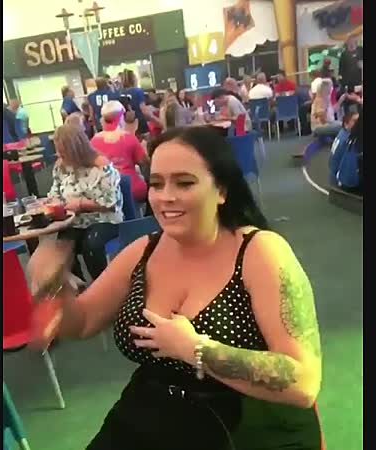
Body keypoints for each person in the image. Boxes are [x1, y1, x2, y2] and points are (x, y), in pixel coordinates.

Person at [28, 126, 323, 450]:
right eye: (156, 183)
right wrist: (53, 288)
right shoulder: (145, 250)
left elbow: (304, 382)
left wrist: (196, 350)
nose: (165, 196)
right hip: (156, 412)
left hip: (245, 425)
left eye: (184, 183)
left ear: (221, 190)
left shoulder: (260, 252)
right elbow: (83, 321)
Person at [47, 124, 124, 281]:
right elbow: (55, 192)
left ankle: (103, 285)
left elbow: (111, 203)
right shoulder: (61, 167)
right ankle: (78, 286)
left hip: (104, 219)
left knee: (91, 244)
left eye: (63, 152)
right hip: (74, 220)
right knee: (62, 248)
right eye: (58, 151)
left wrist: (81, 204)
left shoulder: (101, 166)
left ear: (76, 149)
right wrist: (53, 203)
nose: (59, 155)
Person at [90, 101, 150, 203]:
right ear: (122, 118)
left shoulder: (93, 141)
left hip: (105, 193)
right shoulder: (129, 138)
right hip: (132, 189)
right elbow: (144, 163)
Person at [329, 111, 362, 195]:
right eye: (355, 121)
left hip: (334, 173)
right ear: (346, 124)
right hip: (343, 181)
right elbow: (350, 174)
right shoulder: (349, 141)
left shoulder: (342, 133)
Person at [120, 69, 149, 134]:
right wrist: (156, 119)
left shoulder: (120, 92)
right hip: (140, 123)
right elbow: (144, 110)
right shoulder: (138, 91)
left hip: (125, 124)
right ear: (133, 79)